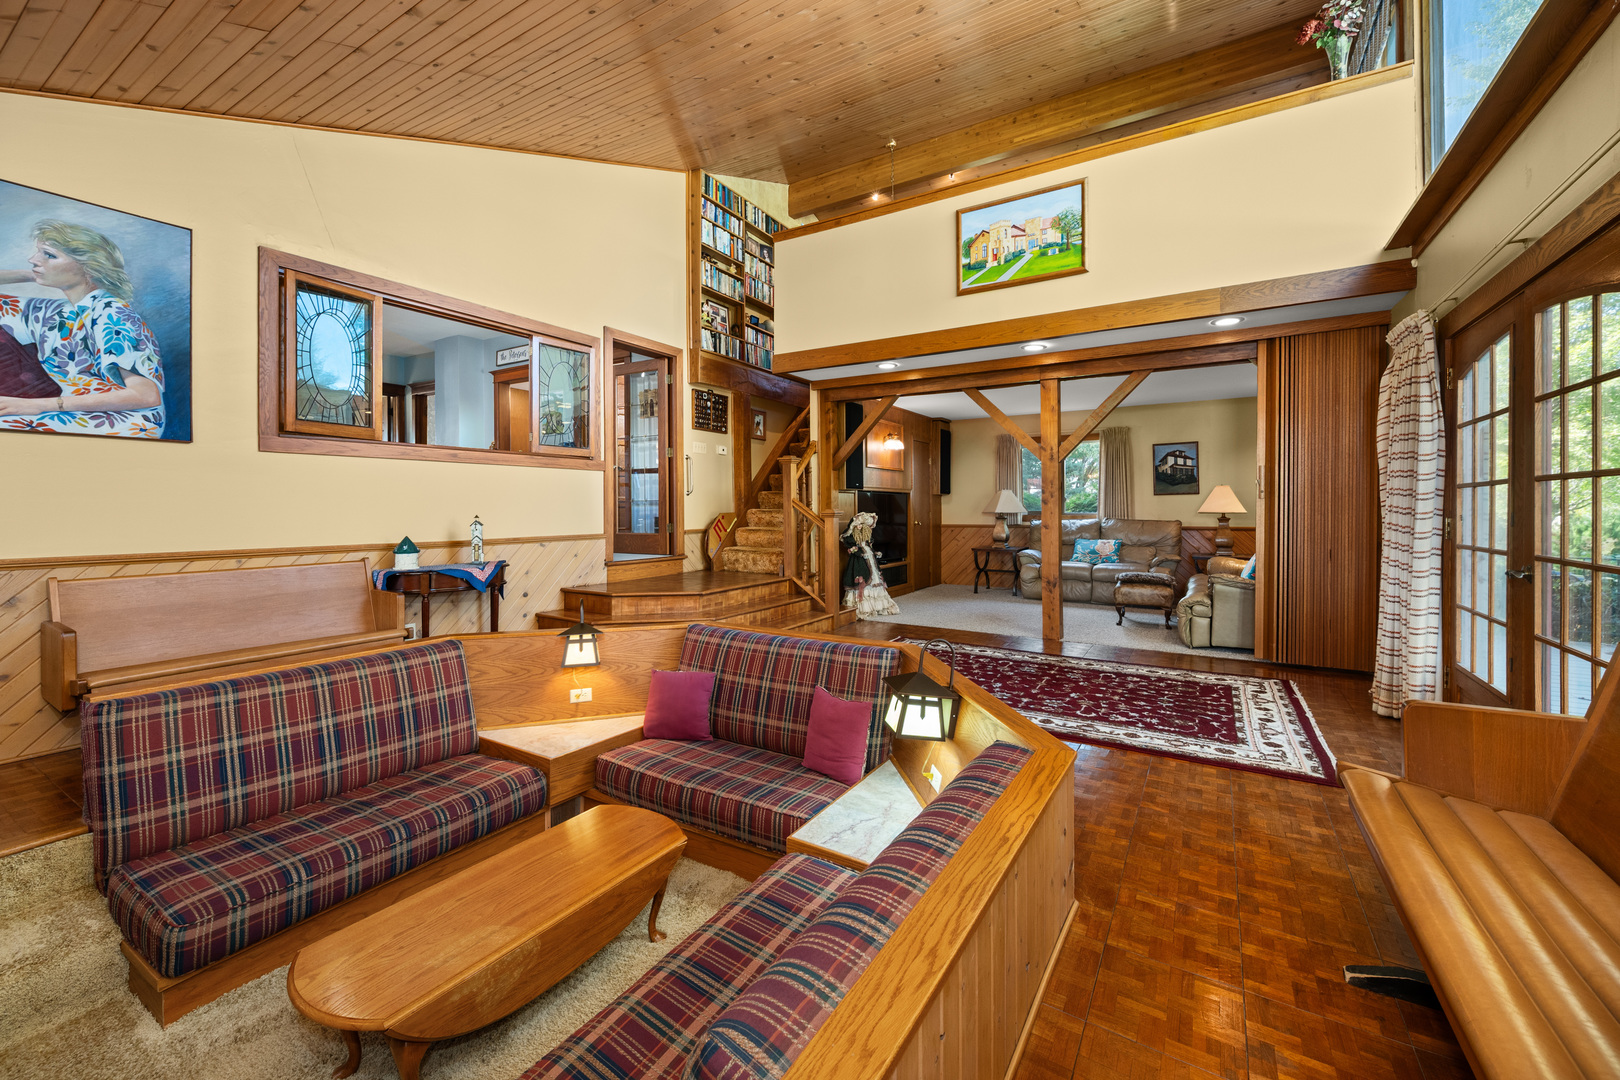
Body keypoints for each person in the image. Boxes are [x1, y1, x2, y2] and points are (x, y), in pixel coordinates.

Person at [0, 220, 165, 438]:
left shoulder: (113, 312)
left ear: (88, 268)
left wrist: (37, 405)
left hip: (125, 420)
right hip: (70, 410)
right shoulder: (54, 311)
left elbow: (145, 395)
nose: (33, 260)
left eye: (49, 255)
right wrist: (33, 274)